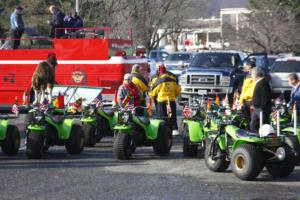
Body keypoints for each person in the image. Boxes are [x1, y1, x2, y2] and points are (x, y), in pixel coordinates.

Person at [150, 65, 181, 136]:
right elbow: (178, 90)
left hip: (161, 101)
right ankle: (174, 129)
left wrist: (153, 96)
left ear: (159, 71)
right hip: (171, 100)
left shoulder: (159, 80)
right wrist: (173, 96)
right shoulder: (172, 79)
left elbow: (153, 92)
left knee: (162, 116)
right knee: (173, 115)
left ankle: (162, 132)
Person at [250, 67, 272, 132]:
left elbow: (265, 97)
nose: (251, 76)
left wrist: (262, 108)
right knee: (253, 124)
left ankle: (266, 138)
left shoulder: (263, 83)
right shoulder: (259, 82)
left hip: (261, 109)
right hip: (256, 108)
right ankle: (255, 136)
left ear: (256, 75)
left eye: (252, 74)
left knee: (264, 125)